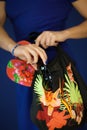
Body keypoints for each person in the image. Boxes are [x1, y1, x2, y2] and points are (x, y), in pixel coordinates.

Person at [0, 0, 87, 130]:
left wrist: (64, 34)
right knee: (32, 122)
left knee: (67, 120)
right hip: (26, 68)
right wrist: (14, 48)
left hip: (60, 65)